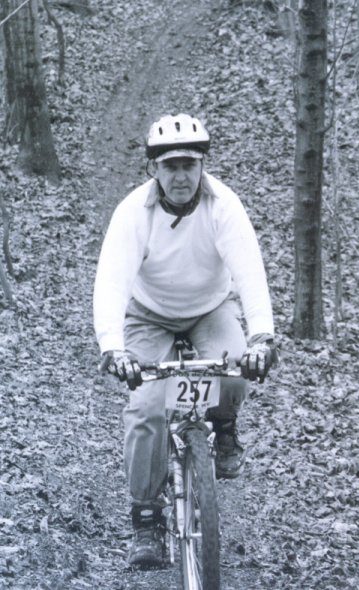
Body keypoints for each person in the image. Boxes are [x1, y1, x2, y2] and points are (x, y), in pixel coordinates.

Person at [93, 113, 277, 569]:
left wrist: (262, 336)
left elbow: (249, 272)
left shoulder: (224, 206)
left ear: (202, 166)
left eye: (189, 165)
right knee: (146, 407)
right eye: (170, 166)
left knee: (235, 369)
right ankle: (146, 518)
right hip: (148, 315)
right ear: (154, 169)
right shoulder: (133, 213)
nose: (180, 176)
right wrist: (113, 347)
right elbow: (112, 282)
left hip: (208, 309)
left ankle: (225, 427)